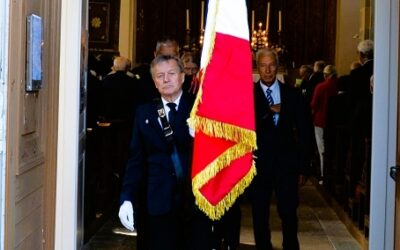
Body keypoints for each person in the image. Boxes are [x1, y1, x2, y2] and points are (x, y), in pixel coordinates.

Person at [118, 55, 194, 250]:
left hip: (193, 203)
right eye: (160, 76)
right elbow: (136, 160)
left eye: (171, 74)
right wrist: (127, 198)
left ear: (182, 77)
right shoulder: (144, 112)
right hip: (156, 202)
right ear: (154, 81)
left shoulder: (199, 109)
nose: (166, 79)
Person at [250, 48, 310, 250]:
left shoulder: (292, 95)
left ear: (277, 66)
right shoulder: (247, 95)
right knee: (259, 212)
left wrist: (304, 167)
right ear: (257, 68)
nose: (267, 70)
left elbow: (305, 132)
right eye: (263, 66)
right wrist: (269, 110)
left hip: (287, 164)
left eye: (271, 65)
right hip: (258, 164)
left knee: (289, 212)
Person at [310, 65, 338, 184]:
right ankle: (334, 175)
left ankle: (323, 175)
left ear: (325, 75)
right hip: (336, 122)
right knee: (335, 148)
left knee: (322, 148)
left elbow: (313, 104)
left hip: (321, 120)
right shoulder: (338, 85)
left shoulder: (321, 86)